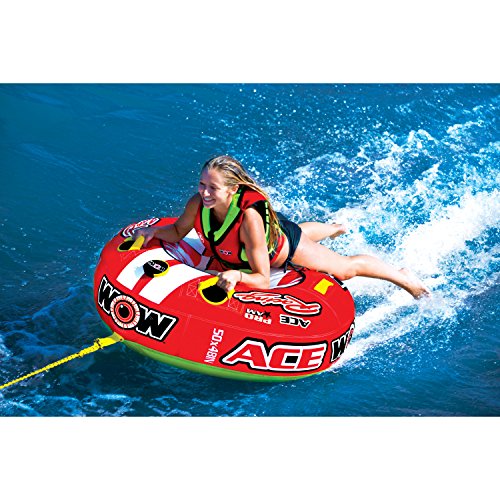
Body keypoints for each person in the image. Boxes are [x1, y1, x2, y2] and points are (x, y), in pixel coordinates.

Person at [133, 155, 430, 299]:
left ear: (233, 190)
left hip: (280, 250)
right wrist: (153, 232)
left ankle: (403, 277)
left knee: (344, 268)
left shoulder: (249, 221)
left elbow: (262, 279)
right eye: (202, 184)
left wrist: (237, 275)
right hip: (272, 233)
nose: (205, 192)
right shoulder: (197, 203)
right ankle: (333, 228)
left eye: (213, 187)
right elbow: (177, 232)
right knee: (294, 230)